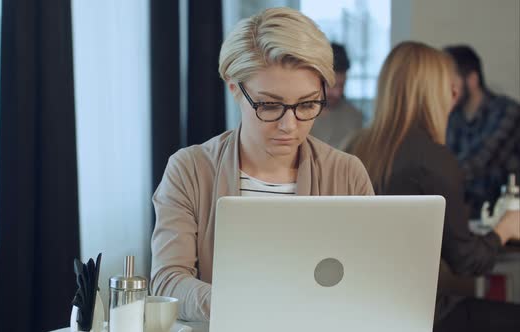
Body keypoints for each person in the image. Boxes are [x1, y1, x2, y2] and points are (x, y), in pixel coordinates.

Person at [150, 7, 374, 322]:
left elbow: (368, 281)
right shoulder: (190, 170)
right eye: (269, 105)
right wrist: (246, 304)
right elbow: (168, 281)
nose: (289, 126)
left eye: (307, 105)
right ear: (233, 88)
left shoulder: (347, 173)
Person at [349, 41, 520, 332]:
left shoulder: (356, 146)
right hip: (416, 312)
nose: (453, 93)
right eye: (448, 86)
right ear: (435, 91)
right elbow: (466, 262)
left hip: (361, 307)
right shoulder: (433, 159)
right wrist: (506, 228)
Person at [444, 45, 520, 219]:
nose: (444, 87)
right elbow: (447, 160)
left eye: (450, 80)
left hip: (501, 218)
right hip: (466, 215)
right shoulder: (453, 116)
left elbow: (480, 162)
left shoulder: (507, 111)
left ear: (472, 79)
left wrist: (437, 177)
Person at [310, 43, 363, 150]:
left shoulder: (354, 117)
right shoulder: (299, 116)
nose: (337, 93)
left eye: (342, 85)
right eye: (331, 85)